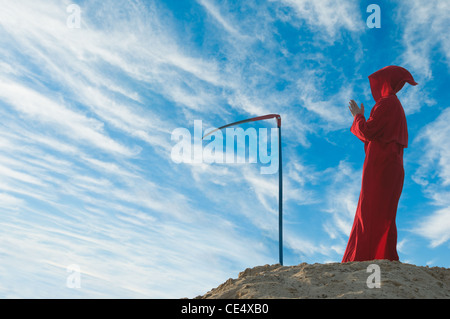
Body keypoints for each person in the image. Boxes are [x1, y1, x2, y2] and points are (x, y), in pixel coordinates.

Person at [342, 65, 418, 262]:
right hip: (390, 166)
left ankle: (362, 258)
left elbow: (367, 132)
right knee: (382, 213)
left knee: (369, 211)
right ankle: (382, 256)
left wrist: (358, 116)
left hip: (380, 166)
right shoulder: (395, 106)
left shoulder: (386, 103)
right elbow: (374, 136)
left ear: (384, 82)